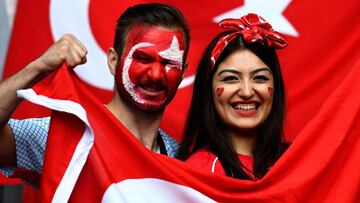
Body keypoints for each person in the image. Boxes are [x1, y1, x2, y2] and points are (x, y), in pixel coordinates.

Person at [0, 3, 190, 187]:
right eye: (143, 58)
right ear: (113, 61)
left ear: (182, 73)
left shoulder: (180, 161)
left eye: (169, 63)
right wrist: (38, 68)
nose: (155, 75)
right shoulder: (67, 136)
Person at [177, 13, 288, 180]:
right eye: (230, 78)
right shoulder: (198, 174)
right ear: (207, 89)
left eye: (260, 78)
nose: (246, 92)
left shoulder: (297, 162)